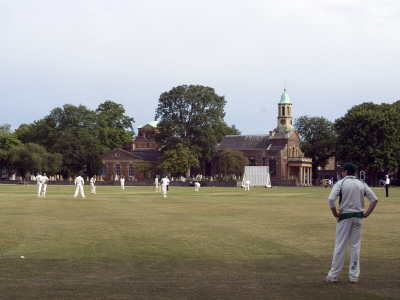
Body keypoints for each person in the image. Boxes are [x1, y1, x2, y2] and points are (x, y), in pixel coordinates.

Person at [326, 162, 378, 283]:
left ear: (345, 172)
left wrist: (335, 213)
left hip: (344, 217)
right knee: (355, 247)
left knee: (340, 246)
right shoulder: (362, 183)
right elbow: (374, 199)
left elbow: (331, 199)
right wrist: (366, 214)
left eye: (342, 171)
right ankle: (354, 276)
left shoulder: (341, 182)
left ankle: (333, 275)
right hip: (358, 217)